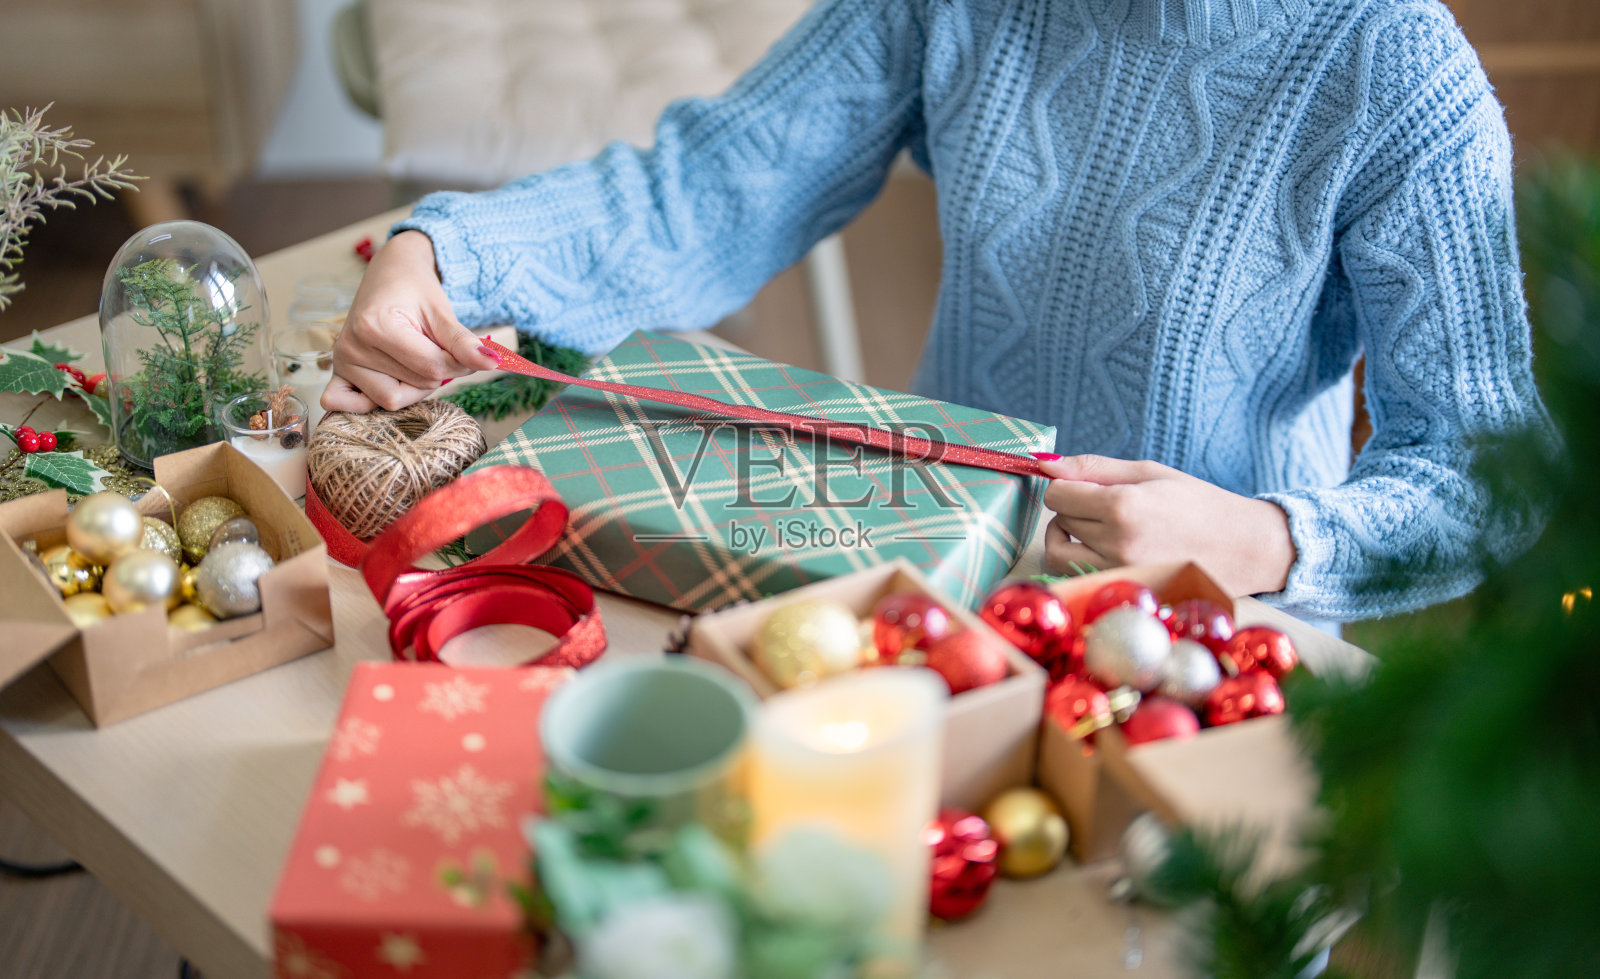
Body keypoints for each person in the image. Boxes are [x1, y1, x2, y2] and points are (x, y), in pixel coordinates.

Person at [324, 0, 1555, 622]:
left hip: (1201, 633)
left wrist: (1267, 544)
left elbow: (1484, 474)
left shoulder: (1395, 67)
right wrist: (451, 249)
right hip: (914, 565)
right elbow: (707, 187)